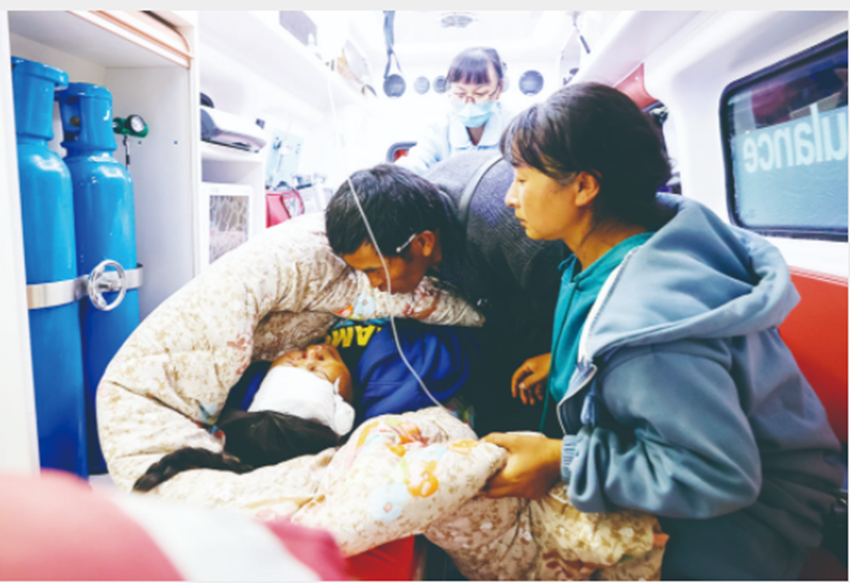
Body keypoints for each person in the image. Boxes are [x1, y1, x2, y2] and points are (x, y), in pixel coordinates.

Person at [479, 82, 844, 580]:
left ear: (584, 187)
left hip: (752, 513)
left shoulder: (647, 327)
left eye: (522, 179)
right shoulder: (626, 247)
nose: (509, 197)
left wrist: (562, 460)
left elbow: (719, 475)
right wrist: (571, 364)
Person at [325, 155, 570, 434]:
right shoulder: (413, 212)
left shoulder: (519, 238)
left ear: (423, 242)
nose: (374, 284)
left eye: (375, 270)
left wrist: (560, 357)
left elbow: (596, 306)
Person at [133, 322, 481, 491]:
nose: (311, 354)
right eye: (318, 372)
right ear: (343, 409)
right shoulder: (390, 383)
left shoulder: (247, 386)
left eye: (294, 361)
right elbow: (457, 342)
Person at [396, 47, 514, 175]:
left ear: (499, 88)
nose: (469, 104)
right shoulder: (439, 129)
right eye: (460, 94)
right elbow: (416, 162)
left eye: (480, 94)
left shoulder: (515, 129)